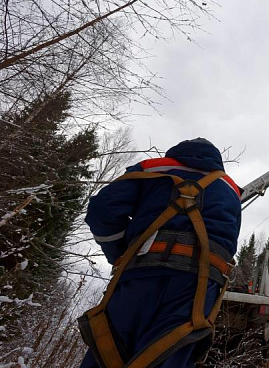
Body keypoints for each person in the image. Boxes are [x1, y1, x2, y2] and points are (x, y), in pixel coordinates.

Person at [80, 138, 242, 368]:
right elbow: (229, 243)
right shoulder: (231, 189)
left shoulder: (151, 168)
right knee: (170, 350)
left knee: (109, 350)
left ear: (175, 153)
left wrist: (119, 253)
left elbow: (102, 210)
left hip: (141, 274)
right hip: (195, 287)